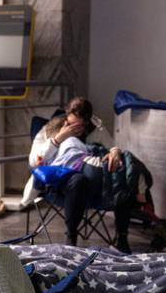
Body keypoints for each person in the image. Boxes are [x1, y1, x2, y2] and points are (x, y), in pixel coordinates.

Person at [29, 97, 147, 254]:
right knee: (78, 180)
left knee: (121, 173)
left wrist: (115, 153)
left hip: (93, 180)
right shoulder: (53, 127)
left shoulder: (95, 129)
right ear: (66, 116)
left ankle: (122, 238)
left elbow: (112, 146)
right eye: (71, 124)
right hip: (59, 181)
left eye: (79, 126)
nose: (75, 129)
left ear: (86, 122)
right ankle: (71, 237)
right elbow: (34, 161)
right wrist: (58, 139)